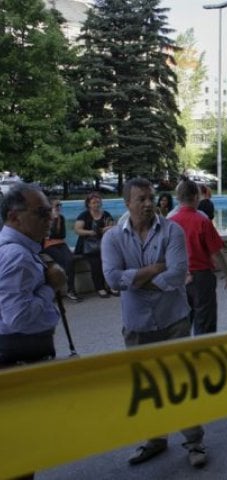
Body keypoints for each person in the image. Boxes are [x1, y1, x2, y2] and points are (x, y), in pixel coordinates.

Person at [101, 178, 208, 469]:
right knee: (147, 386)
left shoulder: (172, 230)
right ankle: (155, 439)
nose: (148, 203)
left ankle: (194, 441)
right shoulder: (112, 238)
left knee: (181, 383)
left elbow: (176, 273)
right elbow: (111, 279)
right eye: (141, 199)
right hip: (137, 325)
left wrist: (136, 279)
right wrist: (153, 270)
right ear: (127, 203)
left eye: (150, 197)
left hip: (173, 320)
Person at [0, 184, 65, 480]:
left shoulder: (17, 249)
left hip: (17, 357)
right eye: (41, 212)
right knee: (20, 452)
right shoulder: (17, 257)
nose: (49, 217)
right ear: (15, 216)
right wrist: (49, 288)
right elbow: (18, 317)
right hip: (18, 358)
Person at [170, 180, 227, 335]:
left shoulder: (170, 222)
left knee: (182, 321)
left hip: (178, 277)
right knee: (205, 322)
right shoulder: (202, 221)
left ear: (178, 198)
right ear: (196, 197)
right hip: (201, 277)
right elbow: (216, 252)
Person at [73, 192, 116, 298]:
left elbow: (113, 226)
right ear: (88, 204)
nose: (96, 204)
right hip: (89, 247)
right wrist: (91, 232)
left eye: (98, 202)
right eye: (94, 202)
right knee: (96, 265)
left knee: (110, 264)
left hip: (104, 245)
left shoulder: (105, 214)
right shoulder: (84, 215)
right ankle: (100, 288)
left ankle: (111, 285)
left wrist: (106, 229)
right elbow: (77, 230)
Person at [43, 198, 81, 302]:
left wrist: (57, 220)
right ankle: (63, 290)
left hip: (60, 243)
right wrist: (54, 219)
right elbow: (48, 234)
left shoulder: (62, 218)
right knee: (63, 262)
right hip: (48, 245)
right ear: (50, 207)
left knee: (70, 260)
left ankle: (71, 290)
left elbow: (62, 234)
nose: (58, 208)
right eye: (56, 206)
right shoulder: (45, 218)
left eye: (59, 205)